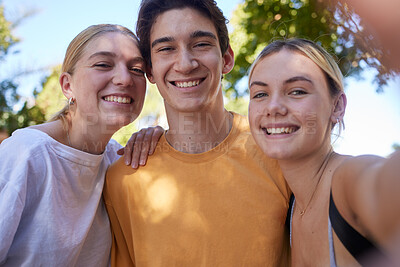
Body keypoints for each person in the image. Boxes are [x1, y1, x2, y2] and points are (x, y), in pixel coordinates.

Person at [103, 0, 291, 266]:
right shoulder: (122, 179)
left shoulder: (277, 150)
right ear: (150, 71)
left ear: (226, 58)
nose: (185, 63)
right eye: (166, 49)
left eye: (201, 44)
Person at [0, 24, 160, 266]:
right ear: (67, 85)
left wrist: (162, 142)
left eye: (136, 69)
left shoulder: (115, 161)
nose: (125, 79)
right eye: (103, 64)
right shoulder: (27, 154)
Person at [248, 38, 400, 266]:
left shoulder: (348, 181)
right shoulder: (286, 210)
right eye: (260, 94)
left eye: (297, 91)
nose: (273, 107)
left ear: (337, 106)